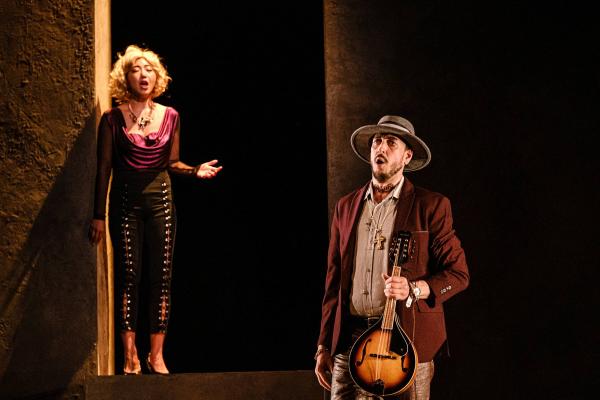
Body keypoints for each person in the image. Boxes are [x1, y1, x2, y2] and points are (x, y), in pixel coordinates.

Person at [88, 45, 222, 375]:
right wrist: (98, 215)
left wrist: (194, 171)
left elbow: (172, 162)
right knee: (129, 276)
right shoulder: (112, 118)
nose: (143, 74)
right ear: (126, 77)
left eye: (149, 69)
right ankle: (130, 355)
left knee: (161, 278)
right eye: (136, 69)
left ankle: (156, 355)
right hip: (124, 204)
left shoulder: (170, 116)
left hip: (161, 202)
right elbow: (104, 167)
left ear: (157, 76)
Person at [314, 115, 469, 399]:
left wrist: (413, 288)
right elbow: (333, 281)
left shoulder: (431, 206)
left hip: (406, 345)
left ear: (407, 156)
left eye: (390, 142)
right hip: (350, 343)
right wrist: (324, 345)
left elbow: (458, 274)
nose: (380, 147)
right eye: (377, 141)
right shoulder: (346, 207)